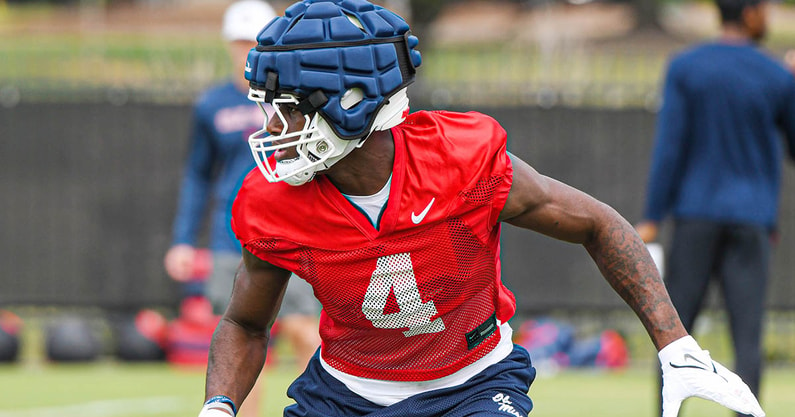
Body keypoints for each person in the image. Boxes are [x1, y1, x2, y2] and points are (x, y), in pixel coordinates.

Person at [197, 1, 766, 417]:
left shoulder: (460, 161)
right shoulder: (273, 203)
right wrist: (218, 408)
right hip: (345, 395)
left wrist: (676, 345)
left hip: (473, 386)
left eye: (286, 110)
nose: (269, 127)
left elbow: (598, 223)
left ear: (350, 106)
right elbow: (245, 322)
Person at [635, 0, 795, 414]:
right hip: (751, 222)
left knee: (674, 332)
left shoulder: (686, 67)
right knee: (747, 339)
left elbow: (669, 148)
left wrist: (652, 215)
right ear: (750, 13)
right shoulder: (777, 74)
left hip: (695, 218)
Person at [163, 0, 321, 412]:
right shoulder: (211, 104)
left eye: (253, 41)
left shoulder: (296, 97)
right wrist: (182, 240)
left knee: (307, 330)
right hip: (232, 235)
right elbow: (198, 175)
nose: (245, 50)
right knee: (241, 338)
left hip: (294, 229)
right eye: (238, 42)